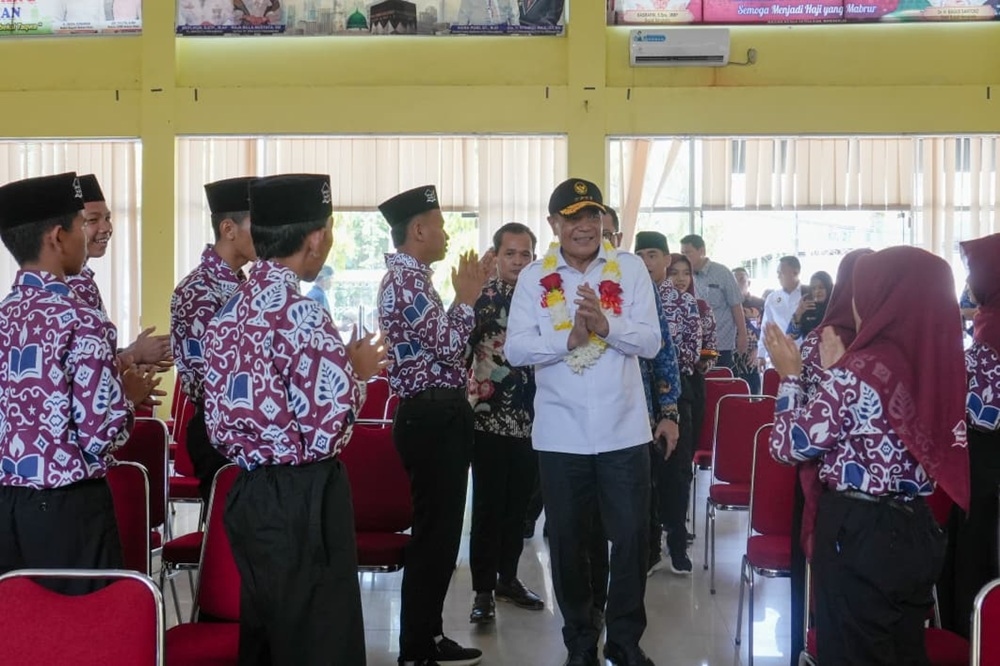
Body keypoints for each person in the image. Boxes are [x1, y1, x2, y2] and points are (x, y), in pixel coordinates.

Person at [203, 174, 388, 665]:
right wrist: (357, 375)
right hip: (305, 497)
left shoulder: (227, 313)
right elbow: (328, 430)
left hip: (248, 492)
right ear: (317, 238)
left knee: (267, 632)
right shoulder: (302, 315)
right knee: (320, 640)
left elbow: (219, 416)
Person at [764, 245, 969, 665]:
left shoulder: (861, 370)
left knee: (852, 651)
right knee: (902, 650)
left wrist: (790, 379)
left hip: (859, 535)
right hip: (918, 529)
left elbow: (788, 445)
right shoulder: (935, 366)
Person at [506, 178, 661, 666]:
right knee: (569, 543)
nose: (585, 227)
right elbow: (514, 349)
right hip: (561, 436)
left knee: (632, 539)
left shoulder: (630, 269)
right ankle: (579, 642)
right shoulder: (535, 278)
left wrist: (605, 327)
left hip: (624, 431)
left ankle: (624, 641)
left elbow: (652, 342)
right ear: (554, 225)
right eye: (573, 218)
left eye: (592, 216)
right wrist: (568, 340)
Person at [0, 172, 155, 595]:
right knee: (81, 635)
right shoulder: (81, 320)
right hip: (68, 510)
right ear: (57, 237)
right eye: (80, 225)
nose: (89, 237)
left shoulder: (4, 316)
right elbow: (101, 429)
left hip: (7, 503)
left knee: (17, 634)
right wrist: (127, 397)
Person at [376, 184, 491, 666]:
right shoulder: (405, 282)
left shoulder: (415, 279)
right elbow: (446, 346)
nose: (446, 234)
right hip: (430, 416)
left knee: (443, 538)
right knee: (433, 537)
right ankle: (415, 648)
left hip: (439, 412)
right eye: (440, 225)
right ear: (418, 230)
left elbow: (439, 346)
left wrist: (464, 298)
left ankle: (429, 634)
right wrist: (466, 299)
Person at [785, 249, 872, 666]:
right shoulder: (826, 337)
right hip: (824, 482)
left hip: (841, 491)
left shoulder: (880, 341)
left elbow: (793, 427)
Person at [467, 222, 545, 625]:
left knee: (519, 508)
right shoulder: (480, 295)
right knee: (488, 507)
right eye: (510, 253)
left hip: (532, 418)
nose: (517, 261)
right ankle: (482, 589)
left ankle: (508, 578)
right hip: (488, 418)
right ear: (495, 256)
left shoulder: (543, 298)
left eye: (525, 254)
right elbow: (460, 348)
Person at [170, 176, 256, 504]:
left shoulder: (245, 285)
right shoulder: (197, 290)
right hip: (220, 428)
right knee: (231, 536)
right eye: (256, 223)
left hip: (251, 426)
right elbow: (206, 378)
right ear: (228, 229)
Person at [939, 232, 1000, 638]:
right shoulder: (986, 324)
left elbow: (982, 412)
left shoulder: (991, 335)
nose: (967, 282)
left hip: (985, 463)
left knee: (976, 554)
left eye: (972, 271)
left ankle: (974, 637)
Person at [633, 232, 696, 575]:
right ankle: (649, 544)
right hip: (637, 396)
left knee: (675, 471)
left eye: (653, 254)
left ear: (667, 260)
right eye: (640, 254)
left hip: (675, 395)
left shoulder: (684, 303)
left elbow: (688, 352)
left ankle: (676, 541)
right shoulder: (627, 298)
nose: (646, 261)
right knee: (644, 473)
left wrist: (656, 356)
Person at [69, 174, 172, 369]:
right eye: (92, 220)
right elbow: (85, 370)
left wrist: (129, 354)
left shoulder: (82, 278)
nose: (106, 227)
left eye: (107, 218)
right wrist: (134, 355)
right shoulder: (75, 284)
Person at [679, 234, 748, 369]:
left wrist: (743, 335)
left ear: (702, 251)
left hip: (720, 343)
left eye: (688, 253)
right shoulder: (682, 276)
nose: (684, 257)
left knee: (719, 379)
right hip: (693, 345)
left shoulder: (722, 273)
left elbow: (736, 305)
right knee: (699, 381)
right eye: (682, 253)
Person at [757, 256, 805, 366]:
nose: (778, 276)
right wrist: (761, 354)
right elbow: (766, 327)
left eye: (781, 273)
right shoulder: (772, 298)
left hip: (804, 354)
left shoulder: (807, 295)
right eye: (777, 273)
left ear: (795, 272)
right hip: (779, 355)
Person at [732, 267, 764, 394]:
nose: (738, 284)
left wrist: (758, 351)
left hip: (753, 358)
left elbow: (767, 330)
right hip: (733, 357)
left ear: (749, 283)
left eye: (741, 280)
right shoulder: (726, 304)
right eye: (734, 280)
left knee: (754, 395)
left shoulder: (760, 303)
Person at [787, 270, 833, 342]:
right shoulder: (807, 309)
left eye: (821, 287)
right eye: (814, 288)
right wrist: (798, 313)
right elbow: (791, 335)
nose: (817, 291)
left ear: (829, 288)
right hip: (808, 351)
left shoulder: (836, 309)